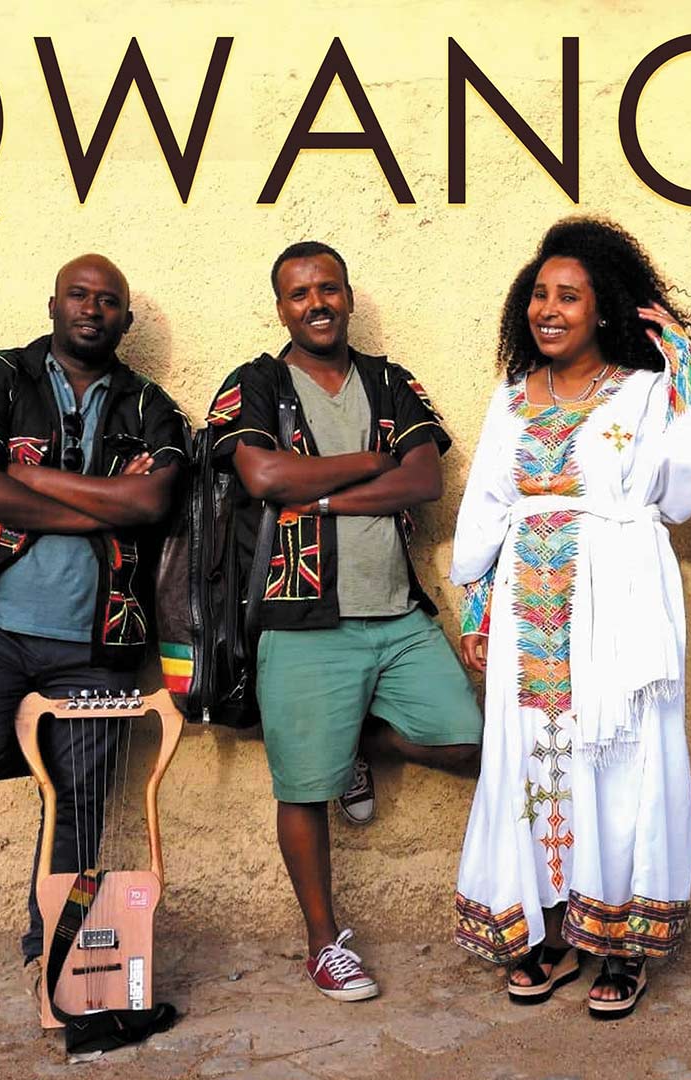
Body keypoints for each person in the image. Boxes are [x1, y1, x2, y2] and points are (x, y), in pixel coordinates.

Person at [449, 217, 691, 1020]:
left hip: (619, 593)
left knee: (620, 753)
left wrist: (681, 360)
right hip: (527, 599)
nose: (549, 308)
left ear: (603, 309)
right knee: (535, 760)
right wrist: (476, 600)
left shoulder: (643, 394)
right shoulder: (510, 399)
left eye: (569, 296)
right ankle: (551, 928)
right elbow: (487, 506)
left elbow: (689, 479)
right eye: (540, 294)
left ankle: (620, 943)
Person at [207, 241, 483, 1002]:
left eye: (329, 288)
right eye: (299, 293)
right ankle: (323, 943)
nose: (316, 303)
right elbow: (262, 475)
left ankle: (354, 740)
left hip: (397, 615)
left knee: (467, 739)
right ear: (281, 307)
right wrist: (372, 465)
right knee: (302, 789)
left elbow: (422, 479)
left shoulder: (391, 381)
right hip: (300, 618)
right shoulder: (256, 384)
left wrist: (321, 495)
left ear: (350, 296)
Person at [0, 254, 189, 973]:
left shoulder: (149, 406)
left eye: (108, 302)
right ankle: (53, 763)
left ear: (124, 321)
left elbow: (151, 504)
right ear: (53, 303)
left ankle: (56, 948)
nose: (92, 309)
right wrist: (97, 503)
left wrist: (29, 477)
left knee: (80, 800)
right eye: (80, 295)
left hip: (95, 642)